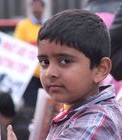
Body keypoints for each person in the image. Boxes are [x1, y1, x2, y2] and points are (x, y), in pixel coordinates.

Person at [7, 9, 122, 140]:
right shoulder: (73, 109)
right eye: (44, 62)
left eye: (65, 61)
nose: (50, 72)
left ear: (100, 69)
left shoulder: (96, 122)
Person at [14, 0, 45, 109]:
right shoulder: (23, 26)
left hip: (45, 74)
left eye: (38, 4)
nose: (36, 7)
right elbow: (18, 47)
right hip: (29, 76)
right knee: (30, 107)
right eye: (33, 4)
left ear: (43, 7)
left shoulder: (47, 24)